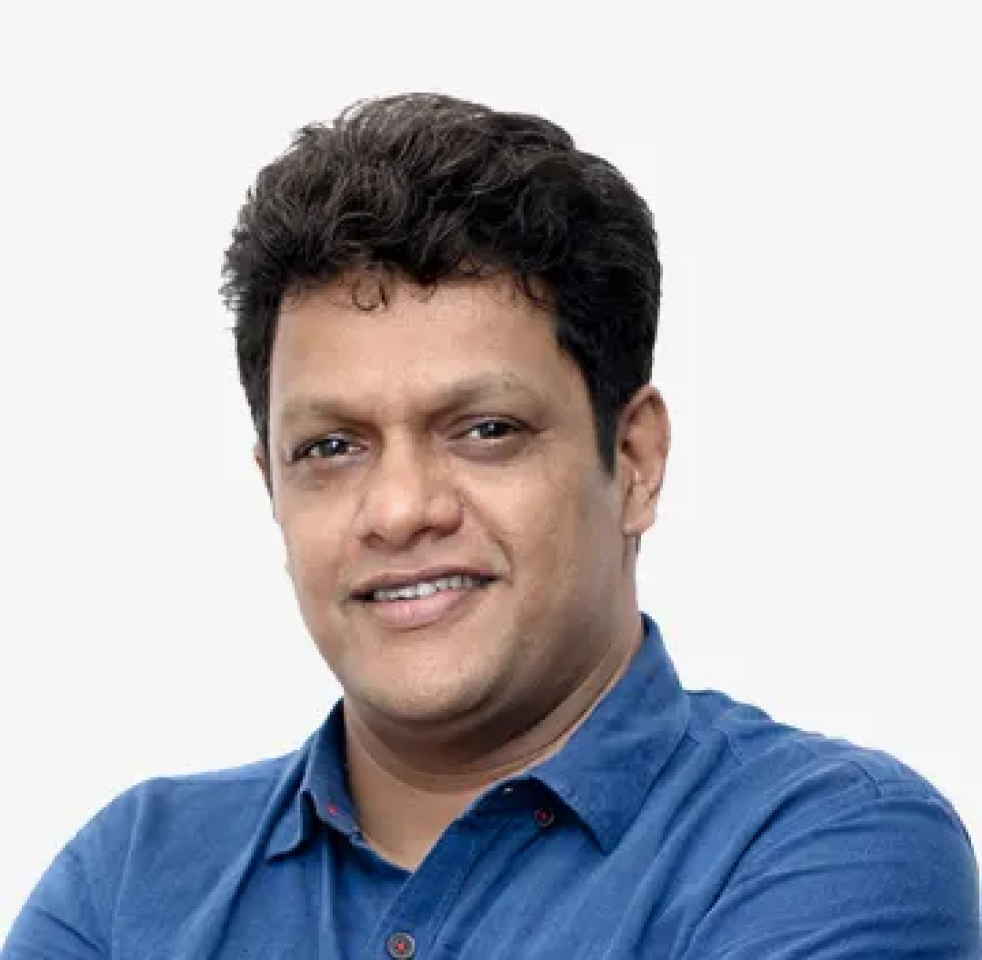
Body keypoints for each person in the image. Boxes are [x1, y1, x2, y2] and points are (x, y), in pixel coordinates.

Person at [3, 92, 978, 959]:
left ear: (635, 460)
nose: (400, 510)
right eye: (331, 447)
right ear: (273, 488)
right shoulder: (129, 883)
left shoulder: (824, 846)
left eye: (485, 430)